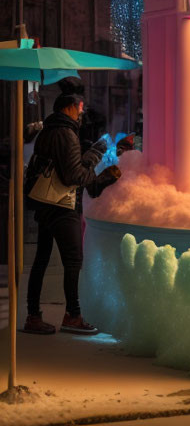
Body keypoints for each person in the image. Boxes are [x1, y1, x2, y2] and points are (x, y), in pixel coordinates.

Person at [23, 94, 121, 335]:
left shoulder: (49, 130)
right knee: (73, 260)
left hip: (44, 203)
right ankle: (73, 316)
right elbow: (74, 177)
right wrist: (98, 157)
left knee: (41, 260)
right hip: (61, 205)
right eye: (79, 107)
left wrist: (89, 153)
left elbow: (67, 167)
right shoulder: (66, 133)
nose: (81, 111)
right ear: (68, 107)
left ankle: (33, 315)